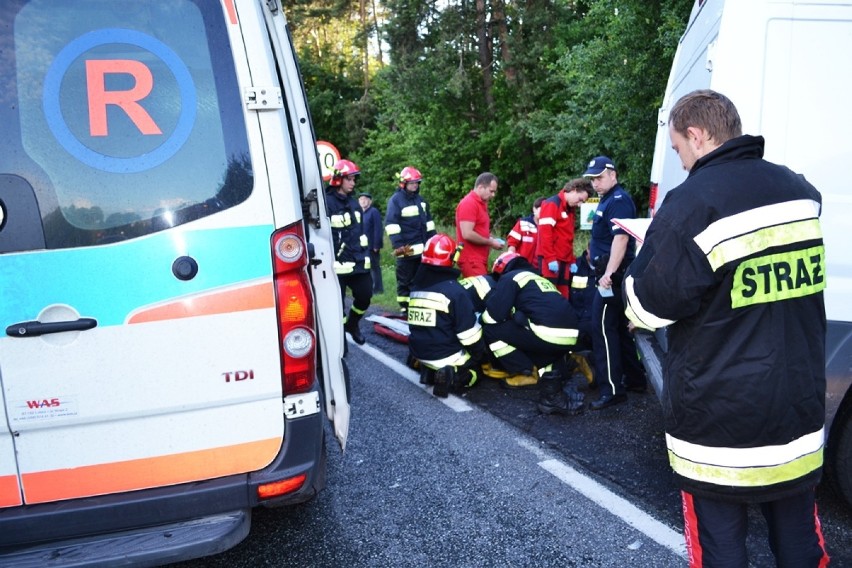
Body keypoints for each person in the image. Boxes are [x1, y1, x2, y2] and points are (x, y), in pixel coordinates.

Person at [623, 89, 829, 567]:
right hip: (795, 410)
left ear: (695, 135)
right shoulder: (800, 192)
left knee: (721, 550)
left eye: (677, 149)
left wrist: (643, 258)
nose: (680, 160)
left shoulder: (693, 203)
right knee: (800, 543)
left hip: (719, 425)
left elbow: (647, 309)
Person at [481, 252, 585, 415]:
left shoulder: (511, 277)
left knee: (490, 330)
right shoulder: (539, 280)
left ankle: (524, 370)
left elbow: (493, 317)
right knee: (529, 333)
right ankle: (564, 368)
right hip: (571, 337)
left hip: (546, 334)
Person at [582, 155, 646, 410]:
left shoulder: (618, 201)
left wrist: (608, 274)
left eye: (599, 177)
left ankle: (612, 389)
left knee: (603, 330)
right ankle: (635, 379)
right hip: (609, 274)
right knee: (618, 329)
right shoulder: (607, 199)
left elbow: (620, 240)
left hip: (611, 278)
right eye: (592, 179)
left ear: (612, 174)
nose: (595, 183)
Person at [407, 233, 485, 398]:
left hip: (418, 352)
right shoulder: (455, 292)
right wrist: (480, 354)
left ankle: (428, 372)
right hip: (445, 356)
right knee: (475, 373)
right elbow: (469, 336)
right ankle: (453, 376)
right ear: (451, 258)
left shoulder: (416, 288)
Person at [327, 159, 371, 345]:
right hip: (335, 266)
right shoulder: (325, 203)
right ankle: (339, 344)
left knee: (365, 296)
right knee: (337, 307)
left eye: (354, 179)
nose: (353, 183)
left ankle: (352, 324)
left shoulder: (354, 204)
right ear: (338, 180)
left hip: (357, 261)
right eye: (349, 179)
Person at [384, 166, 436, 313]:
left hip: (422, 250)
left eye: (417, 183)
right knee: (404, 280)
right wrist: (399, 247)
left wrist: (433, 242)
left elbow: (429, 224)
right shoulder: (396, 201)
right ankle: (405, 309)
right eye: (412, 183)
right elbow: (391, 224)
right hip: (405, 249)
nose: (415, 185)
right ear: (403, 183)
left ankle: (419, 307)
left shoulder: (422, 201)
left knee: (421, 279)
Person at [537, 178, 592, 298]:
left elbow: (568, 238)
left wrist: (572, 260)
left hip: (564, 262)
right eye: (580, 200)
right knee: (549, 297)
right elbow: (545, 235)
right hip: (550, 261)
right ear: (574, 190)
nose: (580, 204)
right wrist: (550, 258)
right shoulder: (552, 204)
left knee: (563, 297)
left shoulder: (569, 210)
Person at [455, 172, 506, 277]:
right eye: (491, 191)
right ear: (480, 187)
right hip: (471, 259)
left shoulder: (481, 203)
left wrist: (491, 238)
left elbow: (478, 229)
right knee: (482, 291)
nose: (493, 195)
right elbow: (467, 234)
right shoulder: (469, 203)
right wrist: (490, 242)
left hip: (479, 258)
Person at [506, 197, 544, 268]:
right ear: (534, 209)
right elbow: (512, 244)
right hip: (521, 266)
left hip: (541, 268)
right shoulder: (523, 223)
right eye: (540, 209)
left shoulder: (549, 226)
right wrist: (511, 261)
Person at [359, 192, 384, 294]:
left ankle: (378, 289)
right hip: (363, 247)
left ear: (370, 201)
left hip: (372, 246)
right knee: (365, 268)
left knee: (374, 268)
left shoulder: (374, 212)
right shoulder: (360, 213)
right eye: (360, 199)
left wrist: (376, 245)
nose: (363, 201)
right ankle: (369, 288)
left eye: (365, 199)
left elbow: (378, 229)